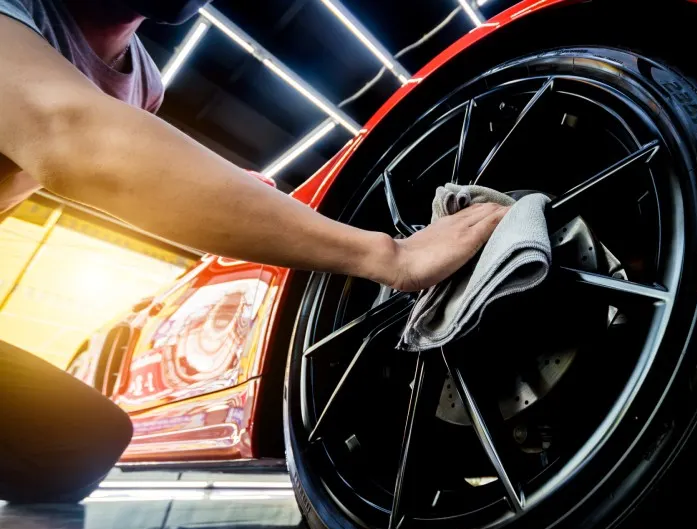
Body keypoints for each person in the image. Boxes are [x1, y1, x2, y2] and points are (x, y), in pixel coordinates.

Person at [0, 0, 507, 502]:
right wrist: (386, 255)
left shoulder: (144, 83)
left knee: (81, 441)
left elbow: (129, 173)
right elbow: (72, 135)